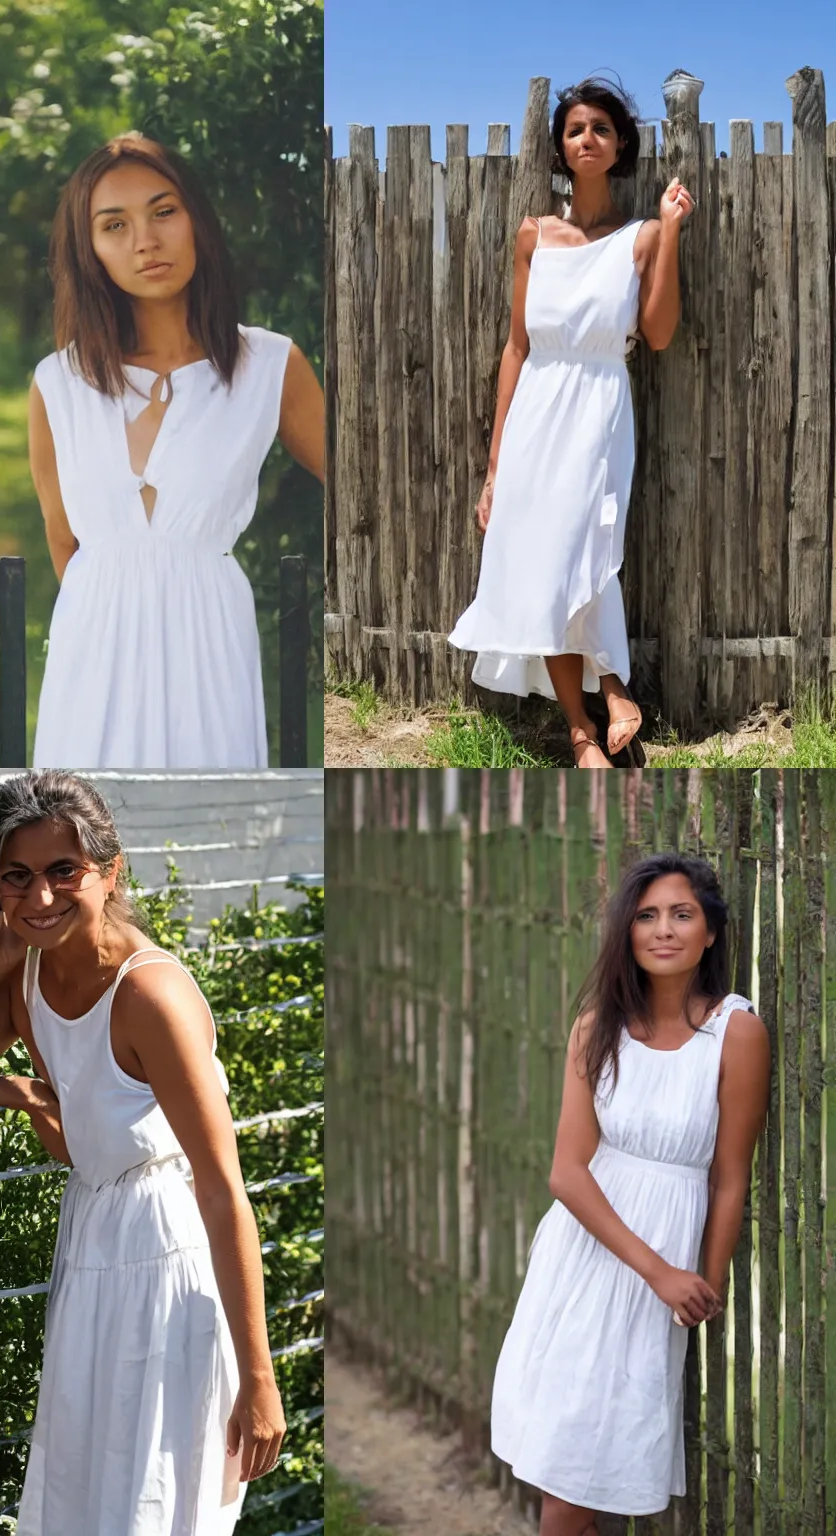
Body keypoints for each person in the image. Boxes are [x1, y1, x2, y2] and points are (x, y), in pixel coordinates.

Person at [0, 770, 286, 1534]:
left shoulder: (151, 998)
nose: (39, 898)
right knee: (85, 1505)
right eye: (17, 876)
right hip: (93, 1254)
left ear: (110, 873)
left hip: (168, 1268)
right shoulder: (29, 977)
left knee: (149, 1509)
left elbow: (221, 1190)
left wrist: (260, 1377)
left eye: (62, 872)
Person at [490, 854, 770, 1535]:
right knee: (565, 1463)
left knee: (581, 1472)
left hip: (663, 1271)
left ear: (710, 933)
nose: (663, 930)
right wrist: (659, 1272)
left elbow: (729, 1175)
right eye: (646, 915)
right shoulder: (598, 1027)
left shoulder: (735, 1031)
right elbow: (567, 1171)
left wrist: (704, 1279)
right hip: (588, 1253)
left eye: (683, 914)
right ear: (627, 931)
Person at [28, 132, 325, 769]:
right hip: (91, 647)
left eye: (163, 211)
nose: (145, 241)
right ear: (91, 251)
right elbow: (63, 540)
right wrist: (117, 612)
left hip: (209, 643)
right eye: (115, 225)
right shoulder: (58, 382)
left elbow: (365, 489)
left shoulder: (270, 366)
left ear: (197, 220)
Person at [448, 77, 695, 769]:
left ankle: (614, 691)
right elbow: (518, 348)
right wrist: (495, 467)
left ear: (620, 146)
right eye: (575, 129)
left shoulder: (641, 237)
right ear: (561, 146)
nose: (588, 138)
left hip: (598, 409)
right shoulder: (534, 235)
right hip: (534, 414)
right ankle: (585, 731)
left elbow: (660, 332)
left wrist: (671, 230)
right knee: (537, 565)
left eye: (602, 129)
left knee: (581, 555)